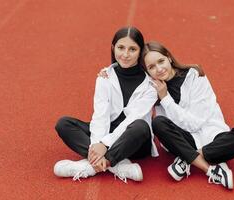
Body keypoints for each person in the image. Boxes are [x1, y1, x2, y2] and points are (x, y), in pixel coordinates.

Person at [140, 41, 234, 189]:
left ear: (169, 57)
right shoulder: (154, 90)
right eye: (151, 67)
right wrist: (110, 72)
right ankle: (210, 168)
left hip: (213, 136)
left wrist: (166, 99)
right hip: (186, 139)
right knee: (158, 123)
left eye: (161, 61)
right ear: (147, 71)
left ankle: (187, 159)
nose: (159, 69)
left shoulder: (194, 75)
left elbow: (196, 124)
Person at [53, 27, 158, 183]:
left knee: (140, 126)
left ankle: (90, 166)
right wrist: (97, 144)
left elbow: (132, 119)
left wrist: (104, 144)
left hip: (134, 142)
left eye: (132, 49)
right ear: (113, 48)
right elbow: (100, 115)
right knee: (63, 124)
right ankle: (113, 164)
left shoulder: (150, 84)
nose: (125, 54)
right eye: (121, 47)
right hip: (106, 133)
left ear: (140, 51)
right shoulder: (105, 77)